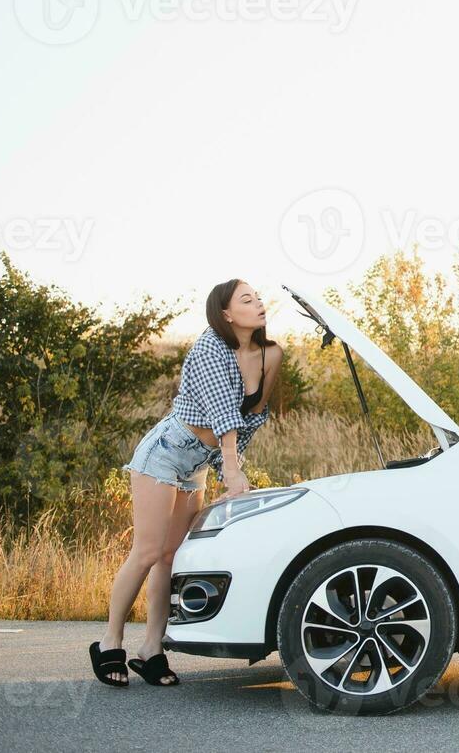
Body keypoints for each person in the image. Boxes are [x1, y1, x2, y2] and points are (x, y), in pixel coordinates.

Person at [88, 279, 282, 688]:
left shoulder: (270, 354)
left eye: (258, 297)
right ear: (226, 314)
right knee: (147, 551)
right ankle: (109, 642)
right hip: (165, 452)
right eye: (247, 299)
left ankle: (152, 648)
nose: (258, 303)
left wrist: (231, 462)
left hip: (198, 463)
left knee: (170, 557)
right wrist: (231, 468)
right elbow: (222, 413)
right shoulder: (209, 346)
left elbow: (252, 417)